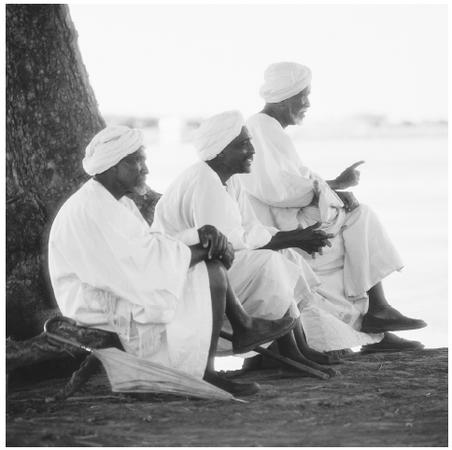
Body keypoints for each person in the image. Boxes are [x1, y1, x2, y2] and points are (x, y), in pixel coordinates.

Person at [48, 125, 297, 396]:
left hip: (119, 286)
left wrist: (199, 236)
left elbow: (148, 247)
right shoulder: (94, 208)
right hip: (96, 301)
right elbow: (140, 267)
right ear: (111, 167)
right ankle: (207, 370)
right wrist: (204, 251)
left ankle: (240, 330)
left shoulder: (116, 202)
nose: (145, 169)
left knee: (208, 265)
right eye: (135, 161)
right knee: (210, 270)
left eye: (143, 159)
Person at [239, 61, 426, 353]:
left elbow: (288, 182)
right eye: (304, 95)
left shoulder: (268, 128)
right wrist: (331, 191)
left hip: (289, 217)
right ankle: (378, 313)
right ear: (286, 96)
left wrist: (334, 187)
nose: (307, 103)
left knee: (359, 219)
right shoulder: (262, 127)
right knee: (360, 219)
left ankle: (377, 319)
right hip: (279, 227)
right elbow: (277, 188)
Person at [152, 111, 342, 374]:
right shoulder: (204, 180)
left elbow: (250, 228)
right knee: (269, 263)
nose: (252, 150)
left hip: (208, 264)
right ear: (220, 152)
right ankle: (284, 353)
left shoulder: (229, 179)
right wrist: (292, 238)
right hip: (185, 274)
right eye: (243, 144)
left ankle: (295, 347)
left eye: (250, 142)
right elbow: (226, 245)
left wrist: (291, 239)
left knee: (285, 257)